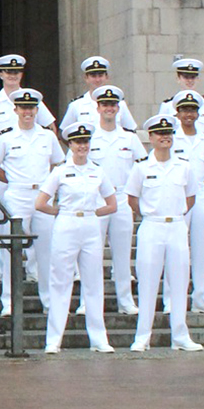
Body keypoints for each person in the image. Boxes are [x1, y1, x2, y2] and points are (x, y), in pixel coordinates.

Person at [35, 124, 118, 353]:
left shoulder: (97, 171)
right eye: (77, 142)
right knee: (60, 282)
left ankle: (99, 339)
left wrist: (93, 213)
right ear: (70, 145)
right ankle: (53, 339)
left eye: (85, 142)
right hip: (67, 224)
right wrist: (60, 212)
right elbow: (40, 203)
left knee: (93, 282)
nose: (82, 146)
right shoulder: (60, 171)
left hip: (90, 225)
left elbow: (112, 204)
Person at [0, 90, 63, 317]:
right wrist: (12, 179)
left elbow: (59, 163)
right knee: (11, 249)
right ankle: (8, 301)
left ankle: (48, 301)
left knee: (47, 251)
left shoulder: (47, 137)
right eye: (23, 108)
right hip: (17, 195)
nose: (27, 112)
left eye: (31, 108)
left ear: (37, 110)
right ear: (15, 110)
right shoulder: (5, 136)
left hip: (42, 196)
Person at [127, 115, 203, 352]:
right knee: (148, 282)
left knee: (179, 281)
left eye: (168, 133)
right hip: (152, 225)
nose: (165, 137)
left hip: (177, 225)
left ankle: (180, 335)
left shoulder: (184, 166)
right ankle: (142, 336)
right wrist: (151, 215)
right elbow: (132, 198)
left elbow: (190, 197)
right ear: (150, 137)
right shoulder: (141, 168)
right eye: (160, 134)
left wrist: (175, 214)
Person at [83, 86, 140, 314]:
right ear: (97, 108)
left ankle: (125, 301)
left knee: (122, 253)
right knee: (91, 254)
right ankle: (89, 301)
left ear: (118, 108)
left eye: (113, 105)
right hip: (96, 200)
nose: (109, 108)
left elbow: (141, 167)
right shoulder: (87, 137)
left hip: (122, 197)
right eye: (105, 105)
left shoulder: (129, 137)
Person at [167, 92, 204, 314]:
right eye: (184, 110)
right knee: (176, 248)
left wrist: (199, 184)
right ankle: (172, 299)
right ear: (178, 113)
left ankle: (201, 297)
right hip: (178, 196)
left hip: (200, 196)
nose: (188, 114)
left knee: (200, 248)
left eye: (192, 110)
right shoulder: (172, 138)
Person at [0, 54, 54, 143]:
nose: (12, 76)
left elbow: (51, 128)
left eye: (16, 72)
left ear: (21, 74)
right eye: (8, 72)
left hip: (29, 154)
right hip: (4, 156)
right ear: (1, 75)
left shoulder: (34, 100)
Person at [59, 56, 138, 132]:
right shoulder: (76, 105)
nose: (97, 80)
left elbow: (131, 130)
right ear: (86, 78)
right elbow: (64, 133)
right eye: (93, 76)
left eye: (100, 76)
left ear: (106, 77)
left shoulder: (120, 104)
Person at [156, 58, 204, 136]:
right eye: (186, 77)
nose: (190, 81)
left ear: (198, 79)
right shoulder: (168, 105)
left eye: (193, 77)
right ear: (178, 79)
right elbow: (160, 133)